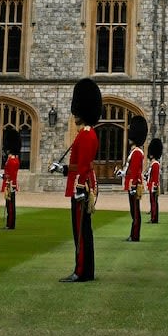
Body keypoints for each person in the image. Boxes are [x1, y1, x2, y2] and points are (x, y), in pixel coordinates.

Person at [60, 78, 101, 282]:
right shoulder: (86, 133)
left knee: (81, 231)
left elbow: (83, 166)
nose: (74, 115)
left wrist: (79, 188)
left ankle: (81, 271)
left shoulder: (86, 134)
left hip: (81, 188)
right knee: (83, 231)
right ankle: (86, 270)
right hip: (81, 185)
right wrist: (63, 169)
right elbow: (78, 164)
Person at [123, 114, 149, 242]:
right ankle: (133, 233)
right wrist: (122, 174)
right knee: (133, 211)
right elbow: (130, 169)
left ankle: (135, 235)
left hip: (134, 185)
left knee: (135, 211)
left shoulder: (137, 152)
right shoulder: (134, 152)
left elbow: (135, 171)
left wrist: (133, 185)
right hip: (131, 183)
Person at [0, 126, 20, 230]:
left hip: (10, 185)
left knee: (10, 206)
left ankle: (10, 224)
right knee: (9, 205)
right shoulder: (13, 159)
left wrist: (2, 176)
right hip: (9, 184)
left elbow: (10, 175)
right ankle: (9, 223)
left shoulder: (12, 161)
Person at [147, 136, 164, 225]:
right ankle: (153, 217)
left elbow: (156, 176)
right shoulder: (153, 164)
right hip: (151, 185)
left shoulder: (155, 164)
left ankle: (154, 218)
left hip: (153, 185)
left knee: (154, 202)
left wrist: (155, 185)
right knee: (152, 202)